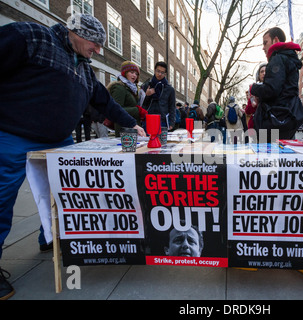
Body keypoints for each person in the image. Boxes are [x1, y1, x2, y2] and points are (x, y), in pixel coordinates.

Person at [0, 14, 145, 300]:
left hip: (59, 139)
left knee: (68, 193)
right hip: (13, 133)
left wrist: (131, 125)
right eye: (95, 43)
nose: (99, 50)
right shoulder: (32, 36)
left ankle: (51, 239)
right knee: (2, 196)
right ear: (75, 32)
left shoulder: (85, 68)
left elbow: (104, 102)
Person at [250, 27, 303, 141]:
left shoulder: (277, 59)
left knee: (269, 155)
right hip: (286, 116)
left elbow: (271, 89)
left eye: (265, 43)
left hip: (275, 119)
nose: (263, 47)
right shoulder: (289, 59)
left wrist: (254, 88)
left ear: (275, 40)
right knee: (281, 153)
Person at [107, 60, 145, 137]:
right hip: (124, 129)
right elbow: (116, 110)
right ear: (125, 73)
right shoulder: (119, 88)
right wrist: (137, 110)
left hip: (134, 126)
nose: (134, 75)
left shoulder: (132, 88)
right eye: (131, 72)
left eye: (136, 73)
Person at [141, 61, 176, 130]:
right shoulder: (147, 85)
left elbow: (172, 106)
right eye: (158, 71)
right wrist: (147, 96)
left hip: (162, 121)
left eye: (162, 72)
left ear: (165, 74)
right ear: (154, 70)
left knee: (161, 141)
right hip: (148, 120)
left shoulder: (170, 89)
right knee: (147, 140)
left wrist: (172, 123)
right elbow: (142, 105)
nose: (159, 74)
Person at [246, 63, 267, 130]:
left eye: (266, 71)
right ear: (258, 75)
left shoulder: (276, 87)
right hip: (259, 125)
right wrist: (253, 103)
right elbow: (248, 111)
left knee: (273, 140)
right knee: (262, 140)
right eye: (262, 71)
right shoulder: (254, 88)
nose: (264, 73)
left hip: (273, 124)